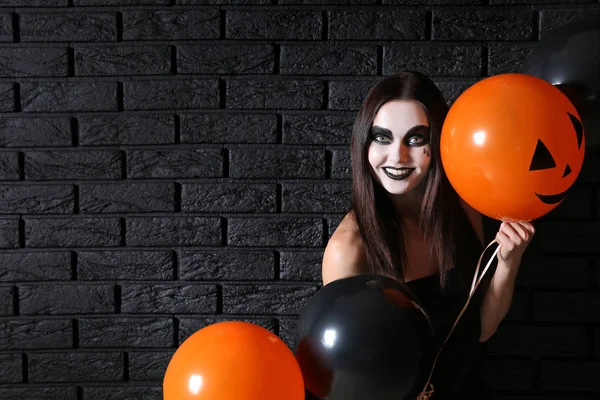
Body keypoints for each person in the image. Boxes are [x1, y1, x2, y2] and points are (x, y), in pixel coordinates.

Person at [321, 71, 535, 398]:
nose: (398, 156)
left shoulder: (463, 209)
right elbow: (344, 379)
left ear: (437, 142)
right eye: (382, 137)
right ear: (363, 142)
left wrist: (509, 262)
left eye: (416, 138)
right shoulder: (348, 248)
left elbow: (479, 330)